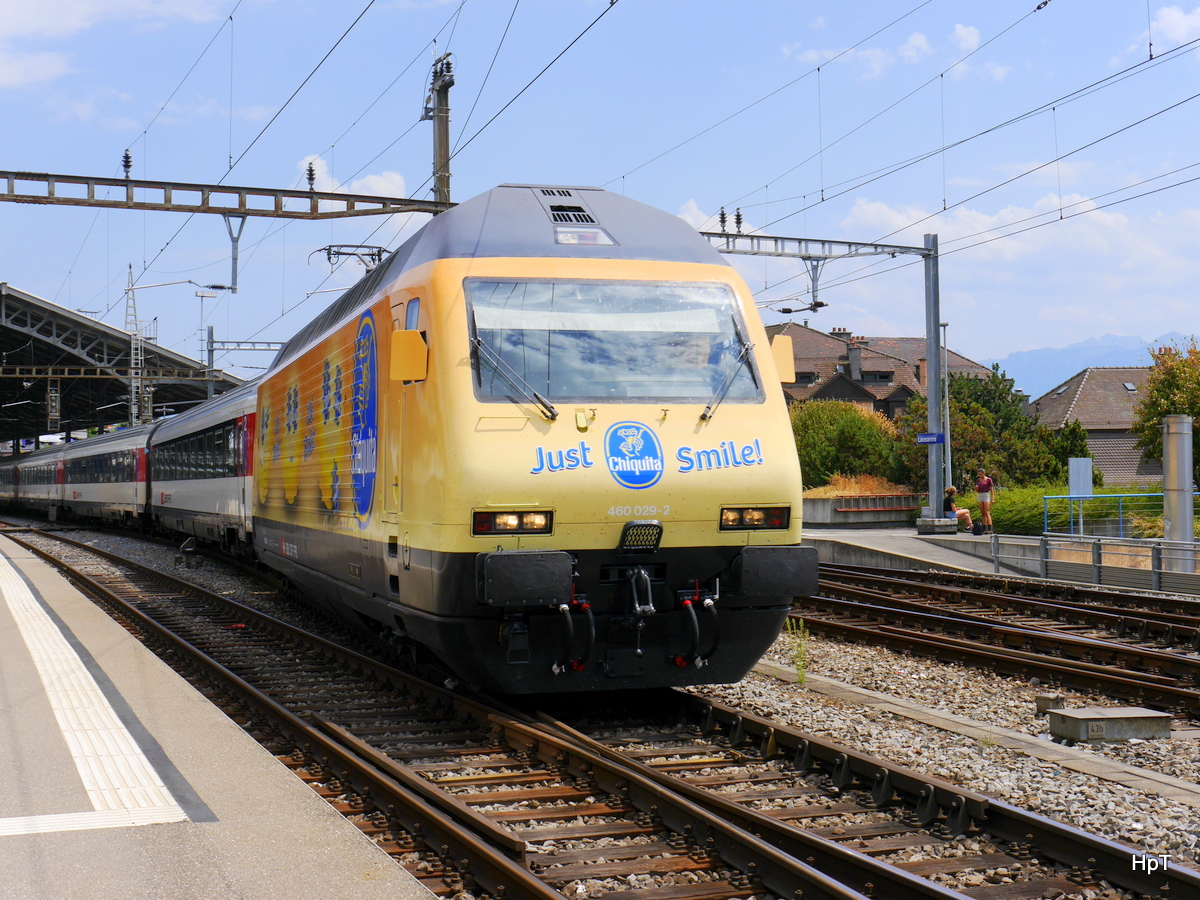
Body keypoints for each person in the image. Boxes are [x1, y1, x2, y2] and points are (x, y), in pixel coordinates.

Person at [975, 468, 995, 533]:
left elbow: (991, 489)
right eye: (979, 475)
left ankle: (990, 527)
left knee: (987, 512)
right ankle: (984, 527)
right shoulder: (978, 480)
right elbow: (977, 490)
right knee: (983, 513)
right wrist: (976, 488)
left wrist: (992, 498)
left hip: (986, 494)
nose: (980, 476)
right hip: (980, 495)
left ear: (984, 473)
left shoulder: (988, 480)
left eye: (981, 474)